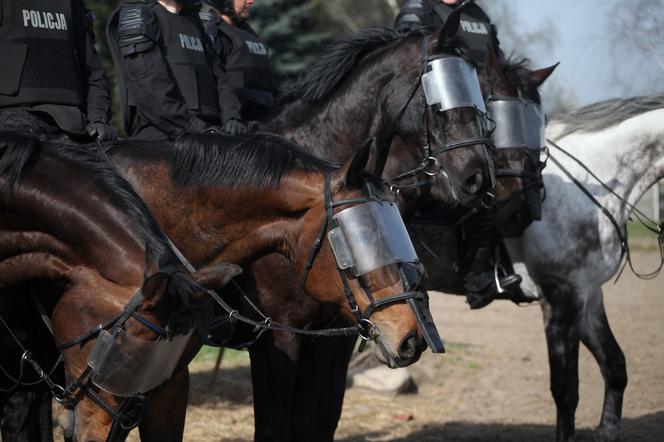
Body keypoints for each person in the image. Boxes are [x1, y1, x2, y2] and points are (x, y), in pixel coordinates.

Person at [396, 0, 533, 309]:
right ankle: (473, 277)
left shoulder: (479, 16)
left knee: (512, 178)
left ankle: (494, 270)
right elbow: (408, 69)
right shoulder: (417, 10)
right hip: (433, 125)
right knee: (476, 180)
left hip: (475, 120)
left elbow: (496, 68)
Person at [107, 0, 248, 141]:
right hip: (163, 136)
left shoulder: (196, 22)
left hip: (209, 132)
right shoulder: (139, 15)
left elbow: (220, 79)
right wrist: (196, 127)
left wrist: (231, 117)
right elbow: (150, 91)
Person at [0, 0, 116, 142]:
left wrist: (99, 118)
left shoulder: (71, 4)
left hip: (71, 125)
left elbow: (93, 72)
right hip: (13, 125)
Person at [199, 0, 275, 120]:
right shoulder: (208, 30)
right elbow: (209, 85)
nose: (251, 1)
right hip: (230, 123)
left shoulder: (247, 31)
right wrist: (252, 96)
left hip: (261, 119)